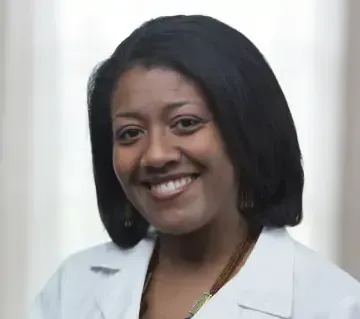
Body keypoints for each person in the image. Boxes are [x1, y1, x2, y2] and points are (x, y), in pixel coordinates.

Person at [30, 15, 360, 319]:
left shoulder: (334, 305)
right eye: (130, 133)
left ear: (248, 131)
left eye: (185, 123)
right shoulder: (71, 288)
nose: (156, 155)